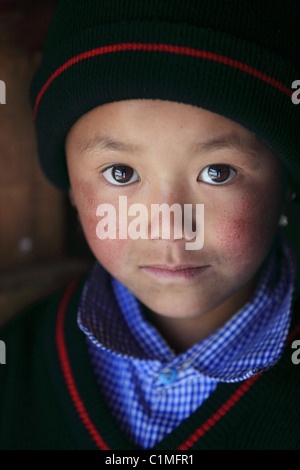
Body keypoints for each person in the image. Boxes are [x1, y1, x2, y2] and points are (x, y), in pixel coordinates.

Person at [0, 0, 300, 450]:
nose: (168, 227)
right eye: (121, 173)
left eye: (217, 172)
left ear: (285, 184)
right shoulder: (15, 366)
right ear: (73, 194)